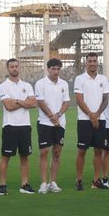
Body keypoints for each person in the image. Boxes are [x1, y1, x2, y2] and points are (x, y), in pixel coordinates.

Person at [0, 58, 37, 195]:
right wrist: (24, 102)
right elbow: (8, 106)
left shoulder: (27, 85)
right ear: (8, 69)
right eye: (12, 66)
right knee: (5, 157)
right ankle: (2, 186)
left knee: (25, 157)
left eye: (16, 66)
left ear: (19, 68)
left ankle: (25, 185)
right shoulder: (3, 86)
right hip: (10, 126)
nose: (14, 68)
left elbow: (33, 103)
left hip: (25, 126)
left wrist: (17, 101)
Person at [72, 52, 109, 190]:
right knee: (82, 150)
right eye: (90, 61)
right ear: (86, 63)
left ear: (97, 62)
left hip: (101, 120)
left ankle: (96, 180)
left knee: (98, 151)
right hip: (84, 120)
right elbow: (79, 99)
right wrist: (91, 115)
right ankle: (79, 180)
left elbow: (106, 99)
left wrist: (98, 115)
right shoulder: (80, 79)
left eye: (95, 61)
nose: (93, 63)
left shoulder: (103, 79)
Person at [33, 57, 70, 194]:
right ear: (48, 69)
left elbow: (66, 102)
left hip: (60, 123)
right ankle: (43, 183)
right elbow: (41, 102)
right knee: (44, 152)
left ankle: (53, 182)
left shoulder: (64, 84)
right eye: (53, 69)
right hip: (45, 122)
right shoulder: (40, 83)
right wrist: (51, 116)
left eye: (58, 69)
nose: (55, 71)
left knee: (57, 152)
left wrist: (58, 115)